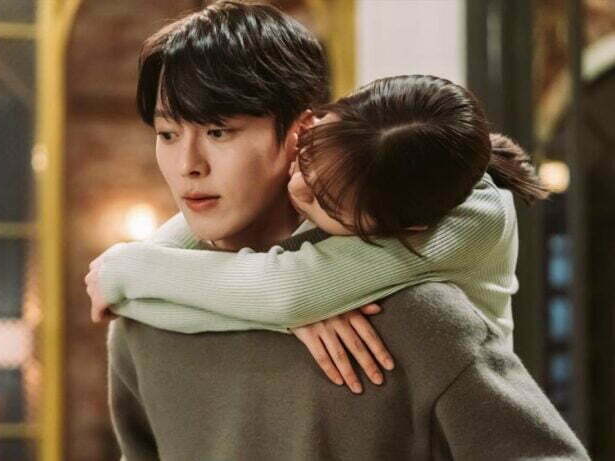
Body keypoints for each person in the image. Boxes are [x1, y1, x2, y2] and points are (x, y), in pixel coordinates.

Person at [89, 2, 589, 459]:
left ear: (300, 131)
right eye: (167, 134)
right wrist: (132, 271)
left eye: (219, 132)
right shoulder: (139, 321)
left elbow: (292, 288)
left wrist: (128, 273)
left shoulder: (412, 310)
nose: (187, 165)